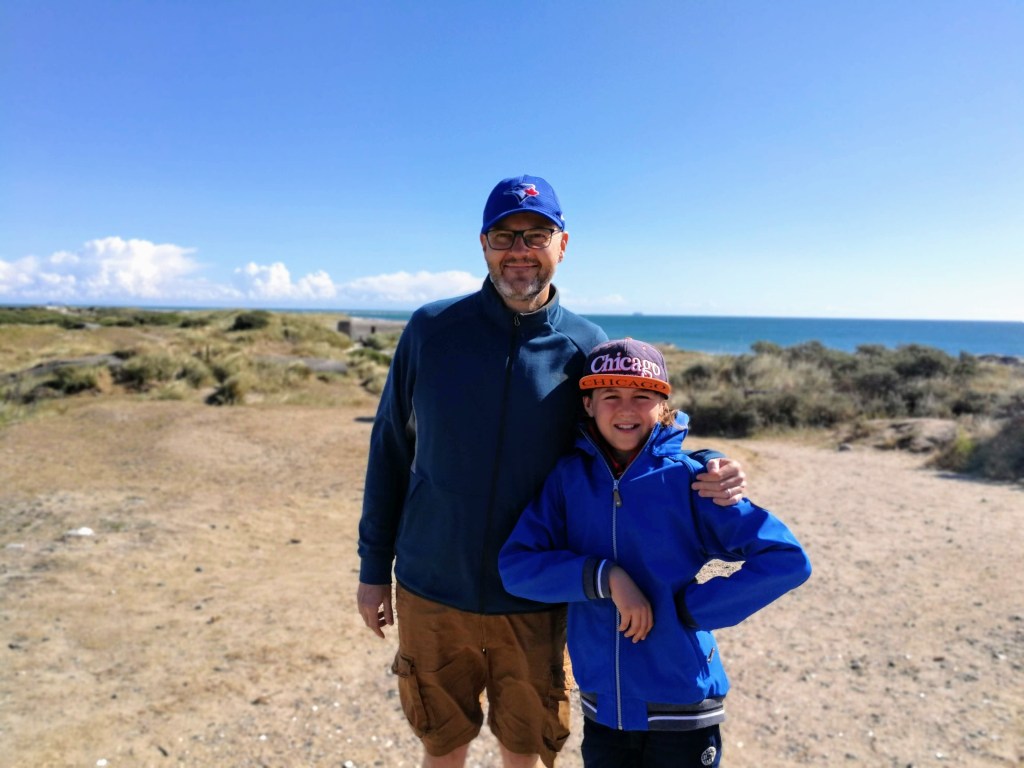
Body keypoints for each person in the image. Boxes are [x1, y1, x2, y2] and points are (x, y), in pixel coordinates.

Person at [356, 175, 749, 768]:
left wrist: (702, 465)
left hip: (538, 596)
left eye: (536, 235)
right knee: (441, 746)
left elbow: (627, 442)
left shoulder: (586, 346)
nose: (519, 250)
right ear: (482, 244)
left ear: (562, 244)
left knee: (527, 750)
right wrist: (371, 568)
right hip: (430, 585)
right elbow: (389, 449)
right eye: (504, 235)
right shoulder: (431, 331)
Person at [499, 338, 812, 768]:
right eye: (610, 396)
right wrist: (606, 577)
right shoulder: (567, 479)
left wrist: (690, 608)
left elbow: (785, 559)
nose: (626, 409)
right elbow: (516, 567)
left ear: (662, 406)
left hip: (681, 704)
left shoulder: (694, 481)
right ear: (588, 404)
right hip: (603, 704)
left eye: (642, 397)